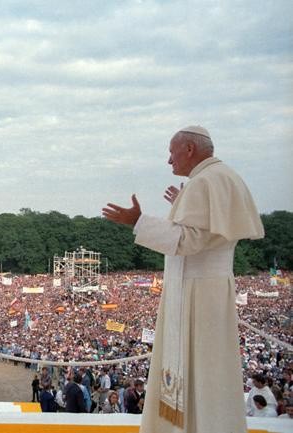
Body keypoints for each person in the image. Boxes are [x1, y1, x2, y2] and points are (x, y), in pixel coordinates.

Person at [103, 125, 264, 433]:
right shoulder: (221, 177)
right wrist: (182, 202)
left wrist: (137, 221)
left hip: (197, 292)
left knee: (201, 369)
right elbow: (206, 231)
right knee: (208, 372)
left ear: (189, 149)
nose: (169, 161)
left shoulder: (205, 182)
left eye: (171, 152)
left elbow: (188, 241)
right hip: (210, 287)